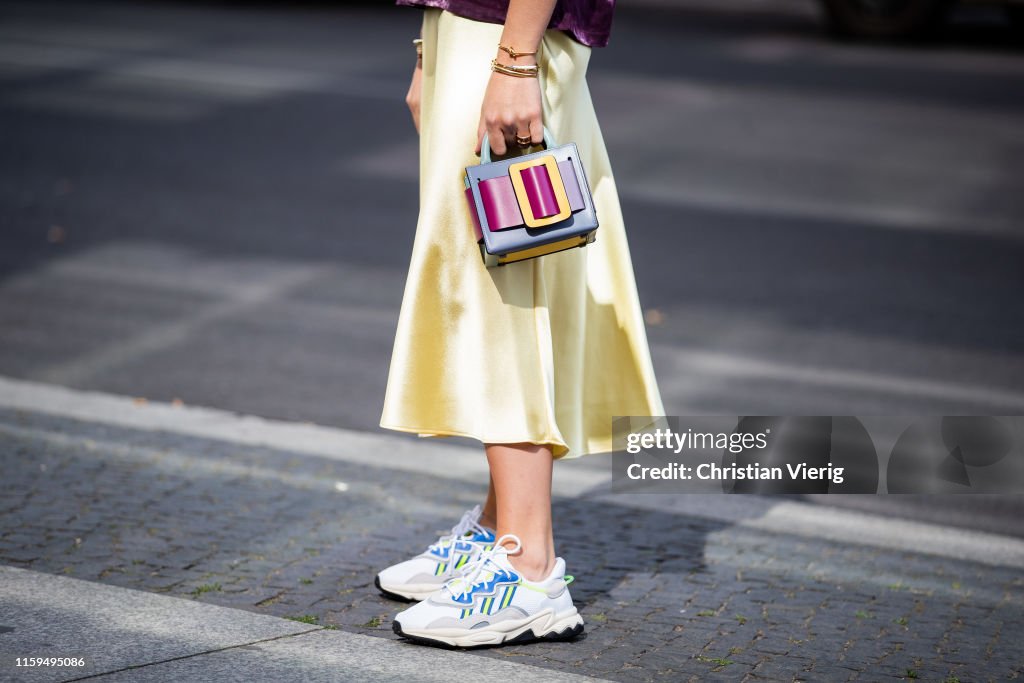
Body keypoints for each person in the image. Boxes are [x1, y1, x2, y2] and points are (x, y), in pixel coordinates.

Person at [376, 0, 664, 648]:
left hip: (510, 34)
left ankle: (527, 566)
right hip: (476, 29)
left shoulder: (512, 53)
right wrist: (430, 46)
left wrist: (514, 58)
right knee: (505, 281)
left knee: (504, 295)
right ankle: (497, 525)